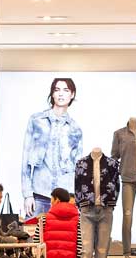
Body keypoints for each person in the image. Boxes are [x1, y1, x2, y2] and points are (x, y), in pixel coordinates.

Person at [21, 78, 84, 217]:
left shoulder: (75, 129)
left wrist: (78, 201)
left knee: (64, 232)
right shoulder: (36, 120)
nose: (61, 94)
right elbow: (26, 158)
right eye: (57, 90)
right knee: (33, 230)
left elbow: (78, 169)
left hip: (66, 196)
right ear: (52, 94)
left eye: (65, 90)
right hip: (39, 193)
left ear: (72, 94)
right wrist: (27, 194)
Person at [38, 188, 82, 258]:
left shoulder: (43, 219)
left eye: (51, 199)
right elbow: (80, 245)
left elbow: (37, 243)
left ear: (57, 200)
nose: (50, 202)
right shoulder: (79, 220)